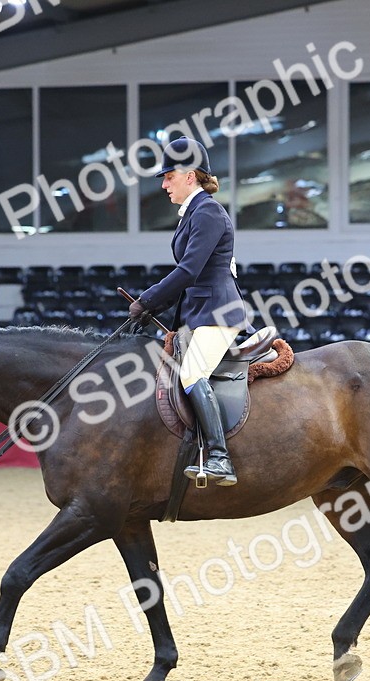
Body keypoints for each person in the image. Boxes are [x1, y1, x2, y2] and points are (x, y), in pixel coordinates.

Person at [129, 137, 249, 487]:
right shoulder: (194, 214)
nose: (164, 184)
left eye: (168, 176)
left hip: (218, 312)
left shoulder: (208, 211)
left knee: (192, 372)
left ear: (190, 176)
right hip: (199, 311)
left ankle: (219, 456)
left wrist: (148, 300)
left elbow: (189, 271)